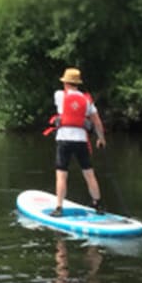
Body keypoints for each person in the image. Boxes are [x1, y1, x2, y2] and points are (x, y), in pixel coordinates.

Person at [50, 67, 106, 216]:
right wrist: (101, 138)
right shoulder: (87, 100)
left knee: (61, 175)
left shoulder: (59, 95)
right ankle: (98, 204)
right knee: (89, 173)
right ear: (77, 83)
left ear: (66, 83)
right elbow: (97, 121)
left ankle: (59, 207)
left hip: (64, 140)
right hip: (81, 141)